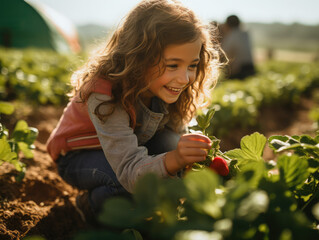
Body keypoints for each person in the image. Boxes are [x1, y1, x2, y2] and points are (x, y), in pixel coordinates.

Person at [46, 0, 223, 223]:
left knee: (172, 142)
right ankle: (90, 206)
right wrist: (175, 159)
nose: (184, 78)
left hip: (128, 149)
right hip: (78, 157)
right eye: (172, 65)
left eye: (192, 65)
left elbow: (176, 139)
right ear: (140, 57)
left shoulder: (168, 89)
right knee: (130, 184)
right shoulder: (104, 94)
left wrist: (188, 159)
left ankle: (142, 206)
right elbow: (130, 171)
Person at [221, 15, 255, 79]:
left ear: (227, 25)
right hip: (251, 68)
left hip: (240, 71)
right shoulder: (245, 34)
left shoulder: (232, 35)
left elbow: (224, 53)